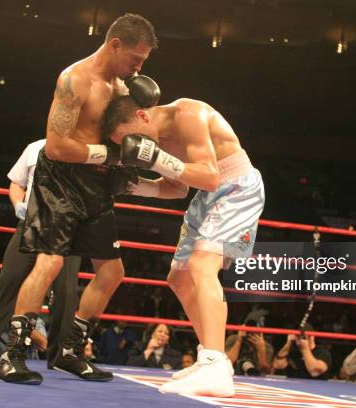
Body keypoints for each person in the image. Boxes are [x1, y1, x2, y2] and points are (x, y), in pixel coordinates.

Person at [0, 13, 159, 385]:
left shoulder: (122, 87)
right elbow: (56, 146)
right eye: (136, 59)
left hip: (96, 185)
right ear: (115, 44)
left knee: (112, 273)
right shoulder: (74, 79)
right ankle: (12, 356)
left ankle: (69, 351)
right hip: (60, 181)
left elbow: (124, 136)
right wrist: (108, 155)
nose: (139, 67)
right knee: (49, 264)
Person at [100, 95, 265, 397]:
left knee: (202, 265)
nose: (131, 147)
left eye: (128, 138)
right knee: (178, 278)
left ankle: (214, 362)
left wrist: (157, 159)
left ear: (142, 116)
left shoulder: (187, 113)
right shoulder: (156, 139)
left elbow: (211, 176)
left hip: (237, 186)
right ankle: (215, 360)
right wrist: (137, 187)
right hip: (206, 197)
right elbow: (177, 188)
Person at [0, 139, 81, 366]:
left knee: (66, 291)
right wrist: (18, 203)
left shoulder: (87, 149)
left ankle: (59, 356)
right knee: (9, 279)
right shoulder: (35, 147)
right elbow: (17, 183)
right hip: (32, 222)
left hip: (70, 226)